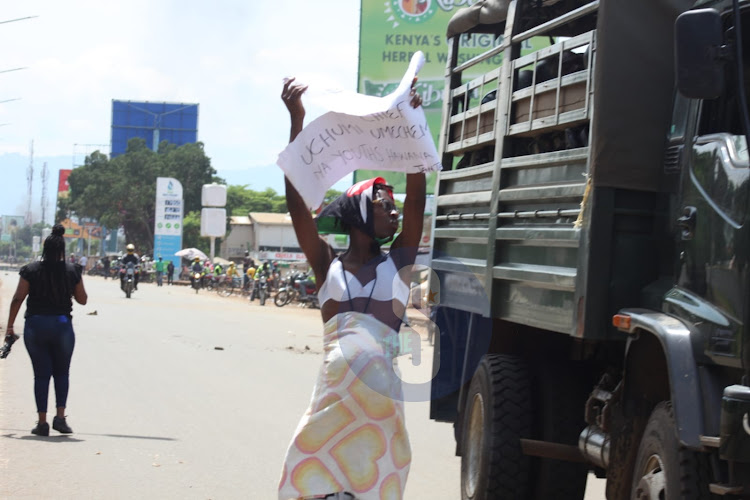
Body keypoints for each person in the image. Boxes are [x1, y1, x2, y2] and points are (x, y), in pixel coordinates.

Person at [277, 78, 425, 500]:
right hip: (331, 407)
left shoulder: (398, 263)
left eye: (394, 207)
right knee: (314, 485)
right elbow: (296, 204)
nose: (395, 213)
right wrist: (298, 122)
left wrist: (413, 127)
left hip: (380, 413)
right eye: (385, 206)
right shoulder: (326, 264)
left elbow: (417, 204)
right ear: (361, 211)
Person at [4, 224, 88, 436]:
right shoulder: (72, 270)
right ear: (62, 251)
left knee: (41, 375)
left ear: (44, 248)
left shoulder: (31, 270)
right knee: (62, 372)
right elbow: (83, 300)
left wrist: (10, 326)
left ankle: (42, 423)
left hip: (36, 326)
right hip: (62, 326)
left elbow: (17, 298)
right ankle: (60, 418)